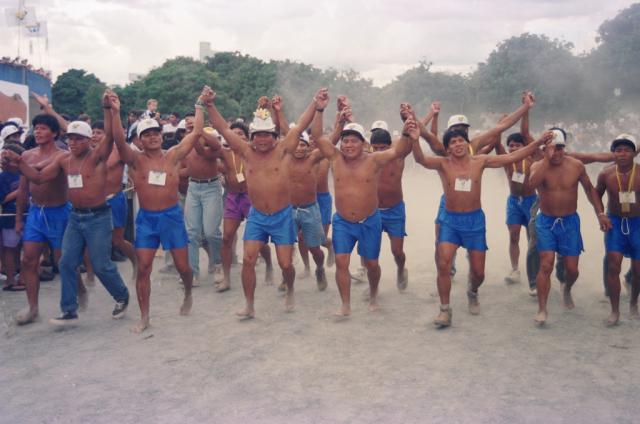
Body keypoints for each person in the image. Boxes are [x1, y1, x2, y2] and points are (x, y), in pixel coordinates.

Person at [412, 119, 551, 328]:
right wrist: (414, 140)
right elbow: (421, 159)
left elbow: (512, 156)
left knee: (478, 273)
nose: (457, 145)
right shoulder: (443, 164)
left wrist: (538, 141)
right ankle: (444, 310)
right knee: (443, 264)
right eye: (452, 142)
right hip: (450, 221)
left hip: (474, 221)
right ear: (448, 148)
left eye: (460, 141)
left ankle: (473, 290)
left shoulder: (480, 161)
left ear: (466, 144)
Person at [5, 96, 131, 325]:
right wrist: (19, 163)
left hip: (99, 217)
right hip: (75, 217)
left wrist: (108, 109)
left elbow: (111, 136)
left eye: (77, 139)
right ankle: (69, 309)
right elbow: (39, 177)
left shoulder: (97, 157)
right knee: (65, 263)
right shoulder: (64, 161)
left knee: (101, 264)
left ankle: (122, 296)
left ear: (87, 140)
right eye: (70, 139)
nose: (72, 143)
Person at [204, 88, 321, 318]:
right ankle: (249, 305)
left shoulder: (284, 150)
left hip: (282, 216)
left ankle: (290, 289)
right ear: (251, 137)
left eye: (267, 134)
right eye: (258, 135)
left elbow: (298, 127)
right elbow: (223, 129)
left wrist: (315, 102)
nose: (263, 139)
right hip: (257, 216)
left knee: (286, 264)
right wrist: (209, 105)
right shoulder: (246, 152)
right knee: (248, 259)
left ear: (274, 136)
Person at [311, 91, 412, 317]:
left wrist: (407, 128)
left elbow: (399, 150)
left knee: (371, 264)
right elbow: (318, 137)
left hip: (370, 221)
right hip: (344, 222)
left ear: (363, 143)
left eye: (353, 141)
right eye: (345, 141)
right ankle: (345, 304)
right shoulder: (335, 159)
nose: (347, 145)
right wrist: (319, 110)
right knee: (341, 261)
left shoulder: (374, 159)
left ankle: (374, 293)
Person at [112, 88, 206, 333]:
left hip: (172, 217)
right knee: (143, 267)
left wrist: (200, 104)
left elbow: (196, 132)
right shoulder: (135, 160)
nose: (153, 137)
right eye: (147, 134)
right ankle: (145, 317)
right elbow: (118, 140)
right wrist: (114, 110)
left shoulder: (173, 156)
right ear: (140, 140)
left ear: (162, 136)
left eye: (156, 133)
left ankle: (187, 293)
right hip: (147, 220)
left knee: (184, 268)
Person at [528, 129, 611, 326]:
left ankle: (566, 288)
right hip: (546, 221)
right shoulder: (538, 166)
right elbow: (530, 185)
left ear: (565, 148)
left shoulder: (576, 165)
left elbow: (590, 190)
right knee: (546, 264)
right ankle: (542, 308)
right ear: (545, 148)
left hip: (570, 222)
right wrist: (546, 160)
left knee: (572, 270)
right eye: (553, 148)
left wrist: (600, 213)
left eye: (560, 148)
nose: (556, 152)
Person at [13, 113, 77, 325]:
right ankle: (33, 308)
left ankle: (72, 300)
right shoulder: (28, 156)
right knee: (28, 260)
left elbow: (42, 177)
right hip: (36, 214)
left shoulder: (63, 155)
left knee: (63, 262)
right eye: (36, 128)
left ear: (55, 132)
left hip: (59, 213)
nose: (38, 132)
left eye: (43, 128)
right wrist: (19, 219)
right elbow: (23, 190)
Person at [217, 121, 274, 292]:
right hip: (233, 197)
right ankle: (226, 277)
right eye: (233, 134)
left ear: (247, 137)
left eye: (240, 134)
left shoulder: (254, 153)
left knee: (259, 240)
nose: (236, 137)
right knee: (227, 237)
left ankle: (269, 264)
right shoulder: (225, 153)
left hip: (252, 198)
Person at [596, 134, 640, 325]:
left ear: (634, 153)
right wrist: (601, 214)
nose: (622, 154)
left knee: (639, 270)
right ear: (613, 153)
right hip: (615, 223)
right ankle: (614, 311)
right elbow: (596, 195)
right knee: (614, 265)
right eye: (618, 150)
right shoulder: (606, 174)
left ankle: (633, 303)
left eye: (627, 150)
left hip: (637, 223)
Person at [370, 124, 413, 291]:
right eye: (376, 148)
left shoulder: (398, 157)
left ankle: (401, 269)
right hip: (373, 211)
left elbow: (408, 141)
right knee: (371, 253)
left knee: (397, 251)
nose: (380, 151)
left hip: (395, 210)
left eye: (383, 147)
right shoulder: (367, 159)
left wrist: (408, 122)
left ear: (390, 147)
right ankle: (373, 284)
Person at [288, 127, 328, 291]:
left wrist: (341, 122)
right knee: (286, 246)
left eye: (303, 145)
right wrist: (276, 111)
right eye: (296, 144)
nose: (299, 148)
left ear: (308, 147)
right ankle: (287, 276)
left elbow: (328, 143)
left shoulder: (314, 159)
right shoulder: (285, 158)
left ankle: (319, 268)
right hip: (289, 210)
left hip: (310, 209)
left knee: (315, 249)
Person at [184, 124, 223, 286]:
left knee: (211, 232)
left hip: (211, 188)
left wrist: (199, 130)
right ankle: (192, 272)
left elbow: (206, 147)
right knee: (191, 233)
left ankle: (218, 264)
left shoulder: (213, 150)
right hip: (193, 187)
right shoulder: (188, 146)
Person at [0, 143, 24, 291]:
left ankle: (22, 276)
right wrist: (22, 189)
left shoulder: (25, 173)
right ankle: (10, 279)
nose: (4, 159)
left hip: (28, 215)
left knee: (24, 247)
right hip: (9, 216)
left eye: (7, 156)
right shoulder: (3, 177)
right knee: (10, 247)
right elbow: (3, 198)